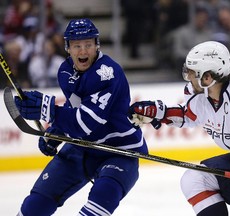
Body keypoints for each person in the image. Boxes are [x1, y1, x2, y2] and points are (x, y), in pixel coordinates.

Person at [128, 41, 230, 215]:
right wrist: (160, 112)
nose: (188, 77)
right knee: (195, 180)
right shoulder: (202, 94)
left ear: (208, 77)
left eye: (192, 72)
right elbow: (190, 114)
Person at [14, 18, 148, 216]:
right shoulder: (65, 71)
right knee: (34, 206)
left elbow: (87, 123)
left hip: (119, 152)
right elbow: (75, 105)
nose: (83, 51)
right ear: (67, 47)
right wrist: (55, 132)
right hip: (81, 148)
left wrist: (47, 110)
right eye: (77, 46)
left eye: (88, 45)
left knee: (103, 196)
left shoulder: (107, 73)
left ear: (97, 45)